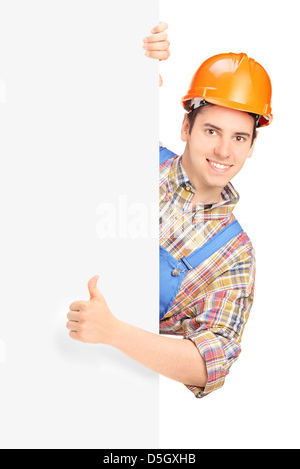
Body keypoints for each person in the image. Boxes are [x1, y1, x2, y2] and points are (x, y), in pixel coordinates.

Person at [66, 23, 273, 399]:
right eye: (212, 131)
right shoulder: (135, 157)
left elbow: (212, 362)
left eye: (239, 137)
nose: (224, 151)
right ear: (185, 127)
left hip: (104, 392)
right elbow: (81, 112)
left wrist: (112, 331)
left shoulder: (235, 255)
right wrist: (135, 59)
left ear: (251, 145)